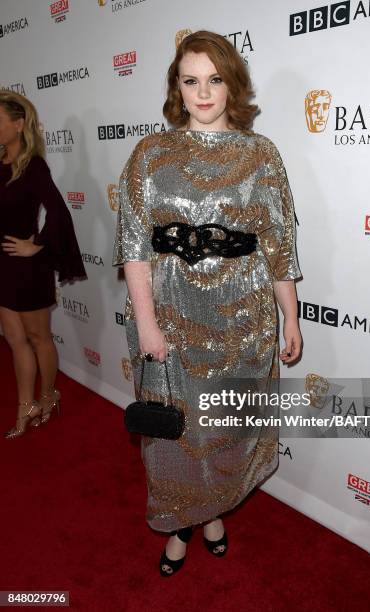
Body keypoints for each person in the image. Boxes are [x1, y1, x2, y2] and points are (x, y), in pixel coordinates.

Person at [113, 30, 302, 576]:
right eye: (191, 80)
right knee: (175, 434)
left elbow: (278, 248)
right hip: (167, 318)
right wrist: (146, 325)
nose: (203, 93)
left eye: (215, 79)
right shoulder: (150, 153)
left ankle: (212, 513)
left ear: (232, 84)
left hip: (242, 321)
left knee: (223, 430)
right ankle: (178, 526)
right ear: (177, 85)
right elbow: (134, 250)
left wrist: (290, 316)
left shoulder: (261, 154)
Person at [0, 90, 86, 439]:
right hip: (3, 266)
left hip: (26, 269)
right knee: (14, 339)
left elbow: (60, 213)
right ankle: (26, 405)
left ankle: (49, 396)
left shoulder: (34, 165)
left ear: (18, 125)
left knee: (37, 337)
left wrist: (36, 244)